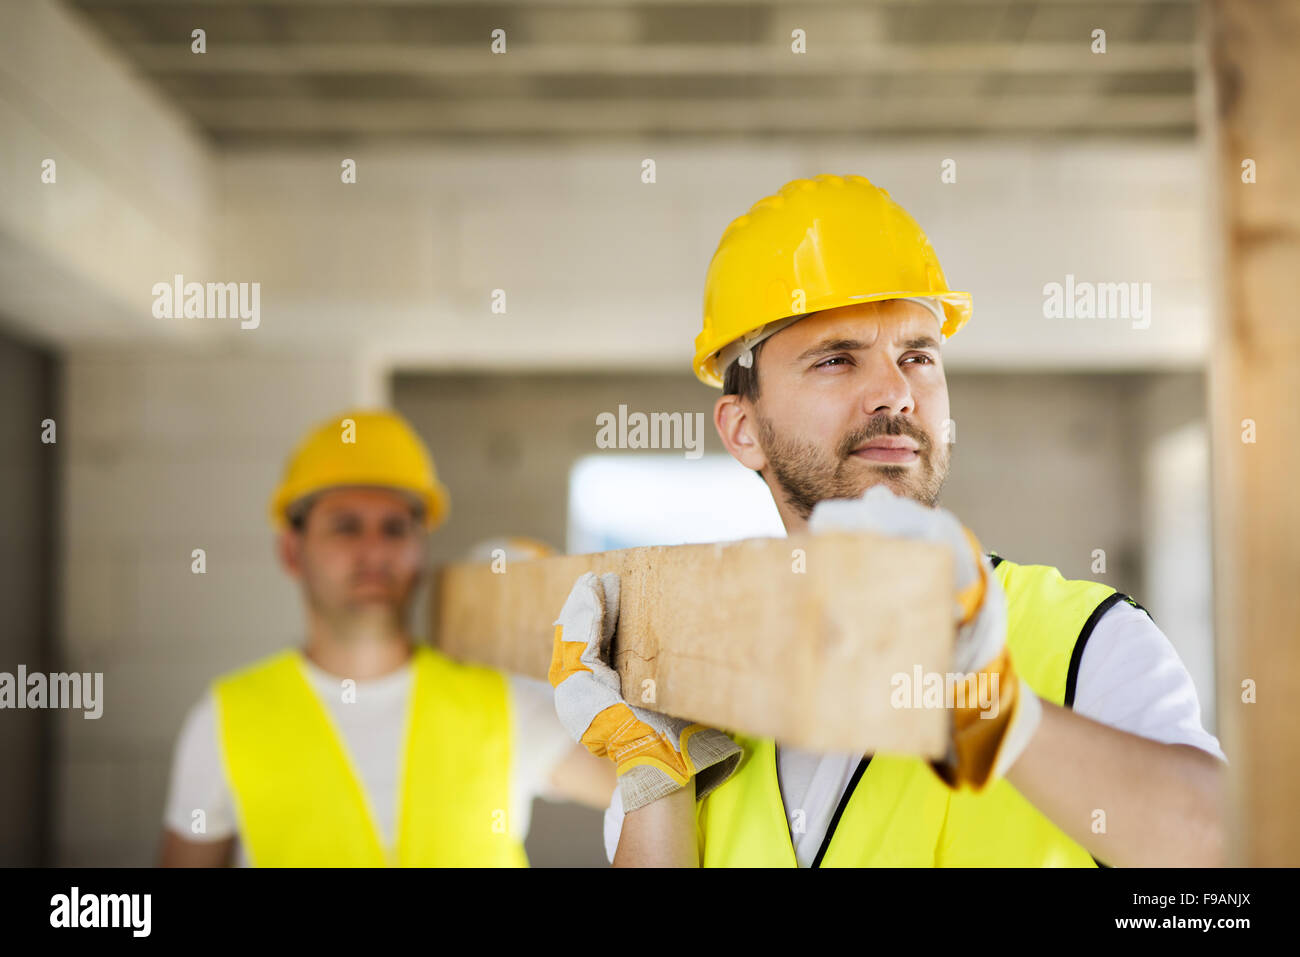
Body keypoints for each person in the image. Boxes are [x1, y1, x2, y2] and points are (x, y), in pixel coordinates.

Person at [550, 174, 1226, 867]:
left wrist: (992, 711)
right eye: (836, 359)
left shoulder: (1084, 640)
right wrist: (653, 770)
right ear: (743, 428)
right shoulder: (694, 703)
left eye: (917, 356)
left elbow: (1227, 860)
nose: (895, 392)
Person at [160, 409, 613, 866]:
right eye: (346, 526)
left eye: (395, 528)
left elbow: (638, 782)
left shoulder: (502, 702)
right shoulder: (223, 723)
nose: (375, 551)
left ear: (420, 549)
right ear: (292, 551)